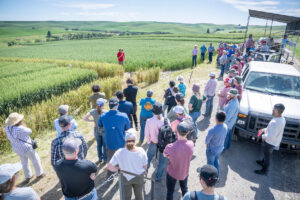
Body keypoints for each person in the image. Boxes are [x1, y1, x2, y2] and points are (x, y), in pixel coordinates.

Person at [108, 129, 147, 200]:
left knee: (126, 197)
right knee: (139, 196)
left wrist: (118, 169)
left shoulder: (119, 152)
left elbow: (110, 167)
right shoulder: (141, 151)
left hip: (125, 177)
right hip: (139, 176)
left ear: (125, 140)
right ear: (135, 139)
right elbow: (145, 166)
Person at [5, 113, 44, 183]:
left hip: (17, 148)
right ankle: (39, 174)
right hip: (27, 147)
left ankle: (28, 176)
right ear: (18, 121)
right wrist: (23, 125)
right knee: (35, 159)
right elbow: (30, 131)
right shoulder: (20, 128)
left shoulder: (7, 128)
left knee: (24, 162)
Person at [164, 122, 194, 200]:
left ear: (177, 131)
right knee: (184, 189)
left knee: (170, 191)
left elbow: (165, 154)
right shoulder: (191, 144)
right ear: (187, 132)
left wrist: (169, 156)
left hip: (172, 173)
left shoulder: (170, 147)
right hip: (184, 172)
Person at [255, 104, 286, 175]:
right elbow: (271, 130)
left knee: (267, 156)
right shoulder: (282, 118)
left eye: (274, 109)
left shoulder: (275, 122)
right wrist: (263, 129)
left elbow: (271, 135)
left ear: (277, 110)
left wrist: (262, 137)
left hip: (270, 142)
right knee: (266, 154)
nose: (272, 110)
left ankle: (264, 171)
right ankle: (262, 162)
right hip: (274, 141)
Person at [98, 97, 130, 162]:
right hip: (121, 142)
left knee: (112, 161)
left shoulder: (103, 116)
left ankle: (113, 171)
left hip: (109, 143)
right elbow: (127, 128)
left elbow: (100, 125)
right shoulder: (124, 116)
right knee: (122, 161)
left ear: (109, 105)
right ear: (118, 105)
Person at [145, 102, 168, 182]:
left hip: (153, 143)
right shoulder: (166, 120)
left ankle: (144, 174)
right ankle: (158, 177)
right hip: (163, 145)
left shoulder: (149, 121)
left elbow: (147, 134)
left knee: (147, 159)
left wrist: (148, 142)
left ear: (153, 111)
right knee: (162, 161)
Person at [83, 98, 107, 164]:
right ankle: (105, 159)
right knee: (105, 145)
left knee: (99, 145)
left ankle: (100, 158)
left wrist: (92, 120)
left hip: (96, 130)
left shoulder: (93, 111)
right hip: (104, 130)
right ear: (102, 105)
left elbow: (85, 118)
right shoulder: (105, 112)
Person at [205, 112, 227, 176]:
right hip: (220, 148)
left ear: (216, 118)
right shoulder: (225, 126)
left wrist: (207, 146)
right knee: (216, 160)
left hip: (212, 149)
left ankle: (211, 178)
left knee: (210, 164)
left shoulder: (212, 130)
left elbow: (207, 140)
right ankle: (217, 176)